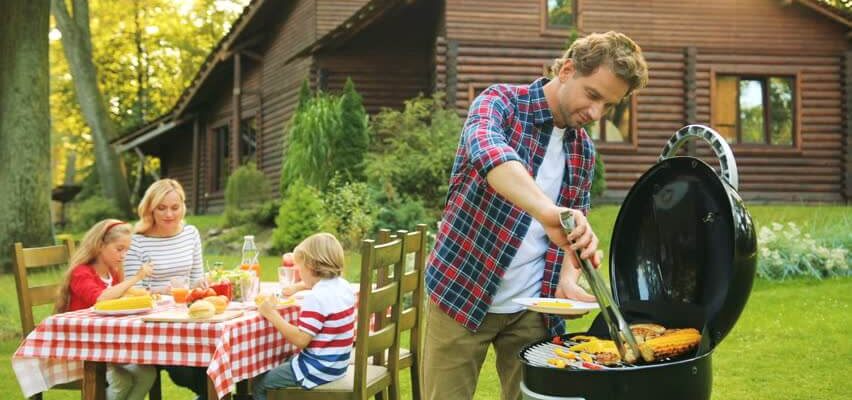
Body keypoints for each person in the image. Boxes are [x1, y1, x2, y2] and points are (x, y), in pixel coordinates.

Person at [423, 31, 649, 400]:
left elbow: (569, 231)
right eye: (592, 95)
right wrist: (549, 211)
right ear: (567, 69)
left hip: (533, 309)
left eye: (608, 106)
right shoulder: (500, 104)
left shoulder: (583, 151)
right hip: (461, 292)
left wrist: (569, 278)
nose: (595, 113)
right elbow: (490, 155)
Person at [54, 219, 157, 400]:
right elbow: (100, 299)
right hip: (84, 347)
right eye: (119, 249)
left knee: (148, 374)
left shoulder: (111, 273)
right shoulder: (81, 273)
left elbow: (120, 296)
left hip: (108, 343)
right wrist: (137, 277)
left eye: (126, 250)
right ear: (100, 245)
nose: (124, 255)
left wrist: (143, 294)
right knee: (122, 380)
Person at [123, 178, 207, 398]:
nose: (169, 214)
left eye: (174, 208)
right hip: (156, 327)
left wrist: (202, 285)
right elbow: (133, 292)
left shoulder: (190, 234)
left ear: (183, 207)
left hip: (189, 318)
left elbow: (197, 278)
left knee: (216, 354)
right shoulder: (137, 242)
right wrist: (161, 292)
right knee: (185, 371)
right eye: (162, 208)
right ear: (150, 209)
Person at [252, 233, 355, 400]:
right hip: (337, 364)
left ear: (311, 266)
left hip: (317, 369)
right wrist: (298, 287)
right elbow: (323, 285)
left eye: (300, 269)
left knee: (260, 383)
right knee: (283, 361)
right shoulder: (343, 286)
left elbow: (300, 340)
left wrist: (272, 314)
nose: (299, 274)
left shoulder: (315, 298)